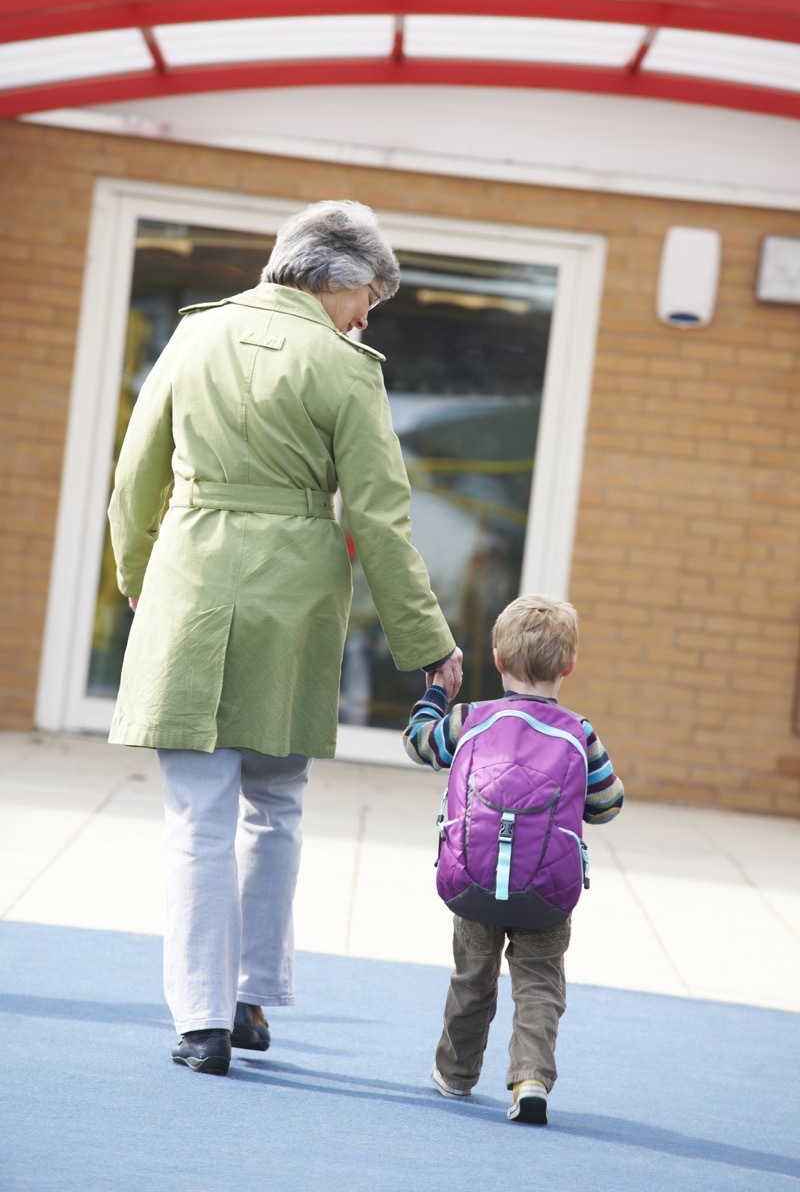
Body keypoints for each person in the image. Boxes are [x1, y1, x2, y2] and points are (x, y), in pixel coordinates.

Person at [107, 200, 463, 1076]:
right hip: (293, 601)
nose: (366, 316)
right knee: (276, 805)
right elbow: (379, 521)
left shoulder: (193, 338)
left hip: (189, 584)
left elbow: (133, 481)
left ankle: (201, 1024)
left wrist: (138, 586)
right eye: (368, 297)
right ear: (335, 277)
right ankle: (250, 995)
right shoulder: (346, 369)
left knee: (197, 818)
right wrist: (429, 645)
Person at [403, 594, 623, 1124]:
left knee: (472, 976)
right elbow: (608, 803)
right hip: (547, 889)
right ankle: (530, 1080)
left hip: (473, 878)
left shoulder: (471, 719)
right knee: (540, 982)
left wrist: (435, 696)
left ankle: (455, 1075)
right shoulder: (579, 732)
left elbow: (417, 744)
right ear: (568, 666)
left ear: (498, 661)